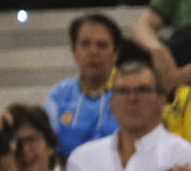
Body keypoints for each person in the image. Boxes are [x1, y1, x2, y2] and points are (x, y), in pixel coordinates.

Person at [66, 60, 191, 171]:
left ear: (162, 99)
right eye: (122, 91)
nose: (132, 99)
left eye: (142, 90)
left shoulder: (184, 157)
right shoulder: (83, 159)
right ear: (112, 102)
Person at [46, 13, 123, 160]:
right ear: (74, 51)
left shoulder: (132, 93)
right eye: (85, 44)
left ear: (115, 54)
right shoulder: (58, 96)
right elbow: (49, 150)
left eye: (102, 45)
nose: (93, 52)